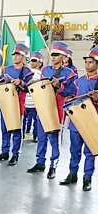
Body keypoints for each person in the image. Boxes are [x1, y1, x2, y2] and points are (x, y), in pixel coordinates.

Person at [27, 42, 77, 179]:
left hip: (57, 109)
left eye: (56, 55)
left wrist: (59, 86)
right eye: (52, 55)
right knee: (41, 138)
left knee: (54, 139)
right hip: (43, 108)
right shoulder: (45, 70)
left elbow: (73, 92)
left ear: (64, 57)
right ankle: (40, 162)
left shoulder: (70, 74)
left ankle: (53, 165)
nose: (53, 57)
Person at [59, 47, 98, 191]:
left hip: (92, 122)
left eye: (90, 62)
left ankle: (87, 178)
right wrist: (66, 94)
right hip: (76, 122)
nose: (87, 65)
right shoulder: (78, 81)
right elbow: (69, 94)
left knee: (90, 152)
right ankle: (72, 174)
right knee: (74, 150)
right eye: (86, 62)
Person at [0, 44, 33, 166]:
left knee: (16, 130)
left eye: (18, 55)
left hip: (18, 104)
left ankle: (15, 154)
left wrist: (20, 82)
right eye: (14, 55)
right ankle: (5, 151)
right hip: (5, 103)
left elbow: (29, 88)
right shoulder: (6, 69)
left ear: (23, 57)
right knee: (4, 129)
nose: (15, 57)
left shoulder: (27, 71)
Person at [23, 51, 44, 142]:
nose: (32, 63)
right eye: (31, 60)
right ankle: (23, 133)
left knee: (36, 119)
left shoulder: (40, 74)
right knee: (24, 118)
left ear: (40, 63)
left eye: (35, 61)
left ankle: (35, 135)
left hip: (35, 101)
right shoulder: (26, 71)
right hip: (25, 99)